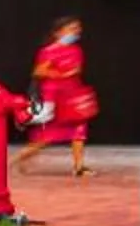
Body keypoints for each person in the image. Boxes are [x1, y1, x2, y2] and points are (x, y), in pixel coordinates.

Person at [20, 16, 100, 177]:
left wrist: (71, 73)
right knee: (46, 137)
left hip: (72, 96)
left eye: (77, 29)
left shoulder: (76, 50)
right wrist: (60, 73)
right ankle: (18, 159)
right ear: (58, 32)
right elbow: (39, 71)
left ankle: (79, 167)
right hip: (55, 98)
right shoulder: (48, 51)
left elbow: (77, 70)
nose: (76, 32)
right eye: (71, 29)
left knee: (79, 131)